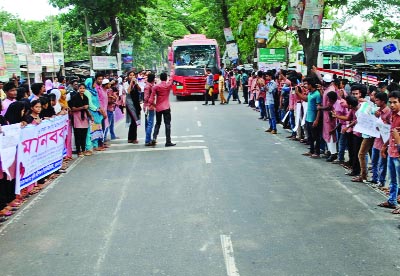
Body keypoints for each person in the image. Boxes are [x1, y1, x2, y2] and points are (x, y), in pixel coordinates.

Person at [378, 91, 400, 211]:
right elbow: (391, 132)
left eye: (395, 102)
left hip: (398, 153)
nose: (392, 105)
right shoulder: (392, 114)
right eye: (390, 102)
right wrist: (384, 146)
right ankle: (392, 200)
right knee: (392, 179)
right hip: (392, 150)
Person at [149, 71, 176, 147]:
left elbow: (151, 98)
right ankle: (168, 141)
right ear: (166, 78)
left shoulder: (156, 87)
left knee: (158, 123)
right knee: (167, 124)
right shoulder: (168, 85)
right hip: (166, 107)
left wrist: (151, 105)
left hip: (158, 108)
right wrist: (172, 71)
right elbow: (171, 79)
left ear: (160, 78)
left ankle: (154, 138)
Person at [298, 77, 322, 158]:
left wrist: (316, 120)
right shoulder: (310, 93)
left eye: (306, 84)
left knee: (316, 136)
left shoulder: (317, 94)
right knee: (310, 136)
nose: (305, 86)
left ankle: (317, 152)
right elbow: (306, 99)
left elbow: (319, 108)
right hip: (308, 117)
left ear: (310, 84)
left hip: (313, 118)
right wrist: (297, 93)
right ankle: (311, 150)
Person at [370, 92, 390, 187]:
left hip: (384, 141)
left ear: (382, 101)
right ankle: (374, 178)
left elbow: (390, 127)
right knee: (374, 161)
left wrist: (382, 121)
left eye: (377, 100)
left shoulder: (388, 112)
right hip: (377, 139)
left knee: (382, 163)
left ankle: (381, 181)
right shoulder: (377, 111)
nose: (375, 101)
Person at [70, 83, 93, 157]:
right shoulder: (74, 97)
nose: (82, 90)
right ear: (78, 89)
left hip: (84, 117)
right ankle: (78, 151)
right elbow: (73, 108)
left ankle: (83, 150)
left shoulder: (86, 97)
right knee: (78, 135)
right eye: (80, 88)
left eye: (83, 88)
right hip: (77, 116)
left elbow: (87, 108)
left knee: (84, 134)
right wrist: (82, 107)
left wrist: (90, 116)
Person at [125, 71, 141, 144]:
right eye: (130, 75)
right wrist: (131, 83)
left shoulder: (136, 83)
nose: (132, 76)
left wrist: (136, 83)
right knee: (134, 120)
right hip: (130, 103)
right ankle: (132, 138)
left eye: (133, 75)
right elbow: (128, 91)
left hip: (136, 103)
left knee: (135, 121)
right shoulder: (125, 83)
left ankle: (131, 138)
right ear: (128, 76)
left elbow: (140, 89)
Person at [143, 73, 156, 146]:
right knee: (150, 124)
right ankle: (147, 140)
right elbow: (146, 98)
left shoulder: (149, 85)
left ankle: (148, 138)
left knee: (148, 124)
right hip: (149, 107)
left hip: (147, 107)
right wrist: (153, 104)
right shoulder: (148, 86)